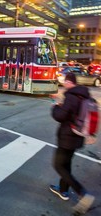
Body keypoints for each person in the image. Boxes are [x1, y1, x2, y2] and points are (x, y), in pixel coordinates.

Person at [50, 72, 95, 215]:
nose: (63, 84)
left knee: (58, 165)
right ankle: (63, 191)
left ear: (69, 82)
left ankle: (82, 193)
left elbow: (60, 116)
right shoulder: (85, 95)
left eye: (65, 81)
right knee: (67, 164)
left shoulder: (70, 96)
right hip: (77, 137)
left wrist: (55, 106)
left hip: (67, 137)